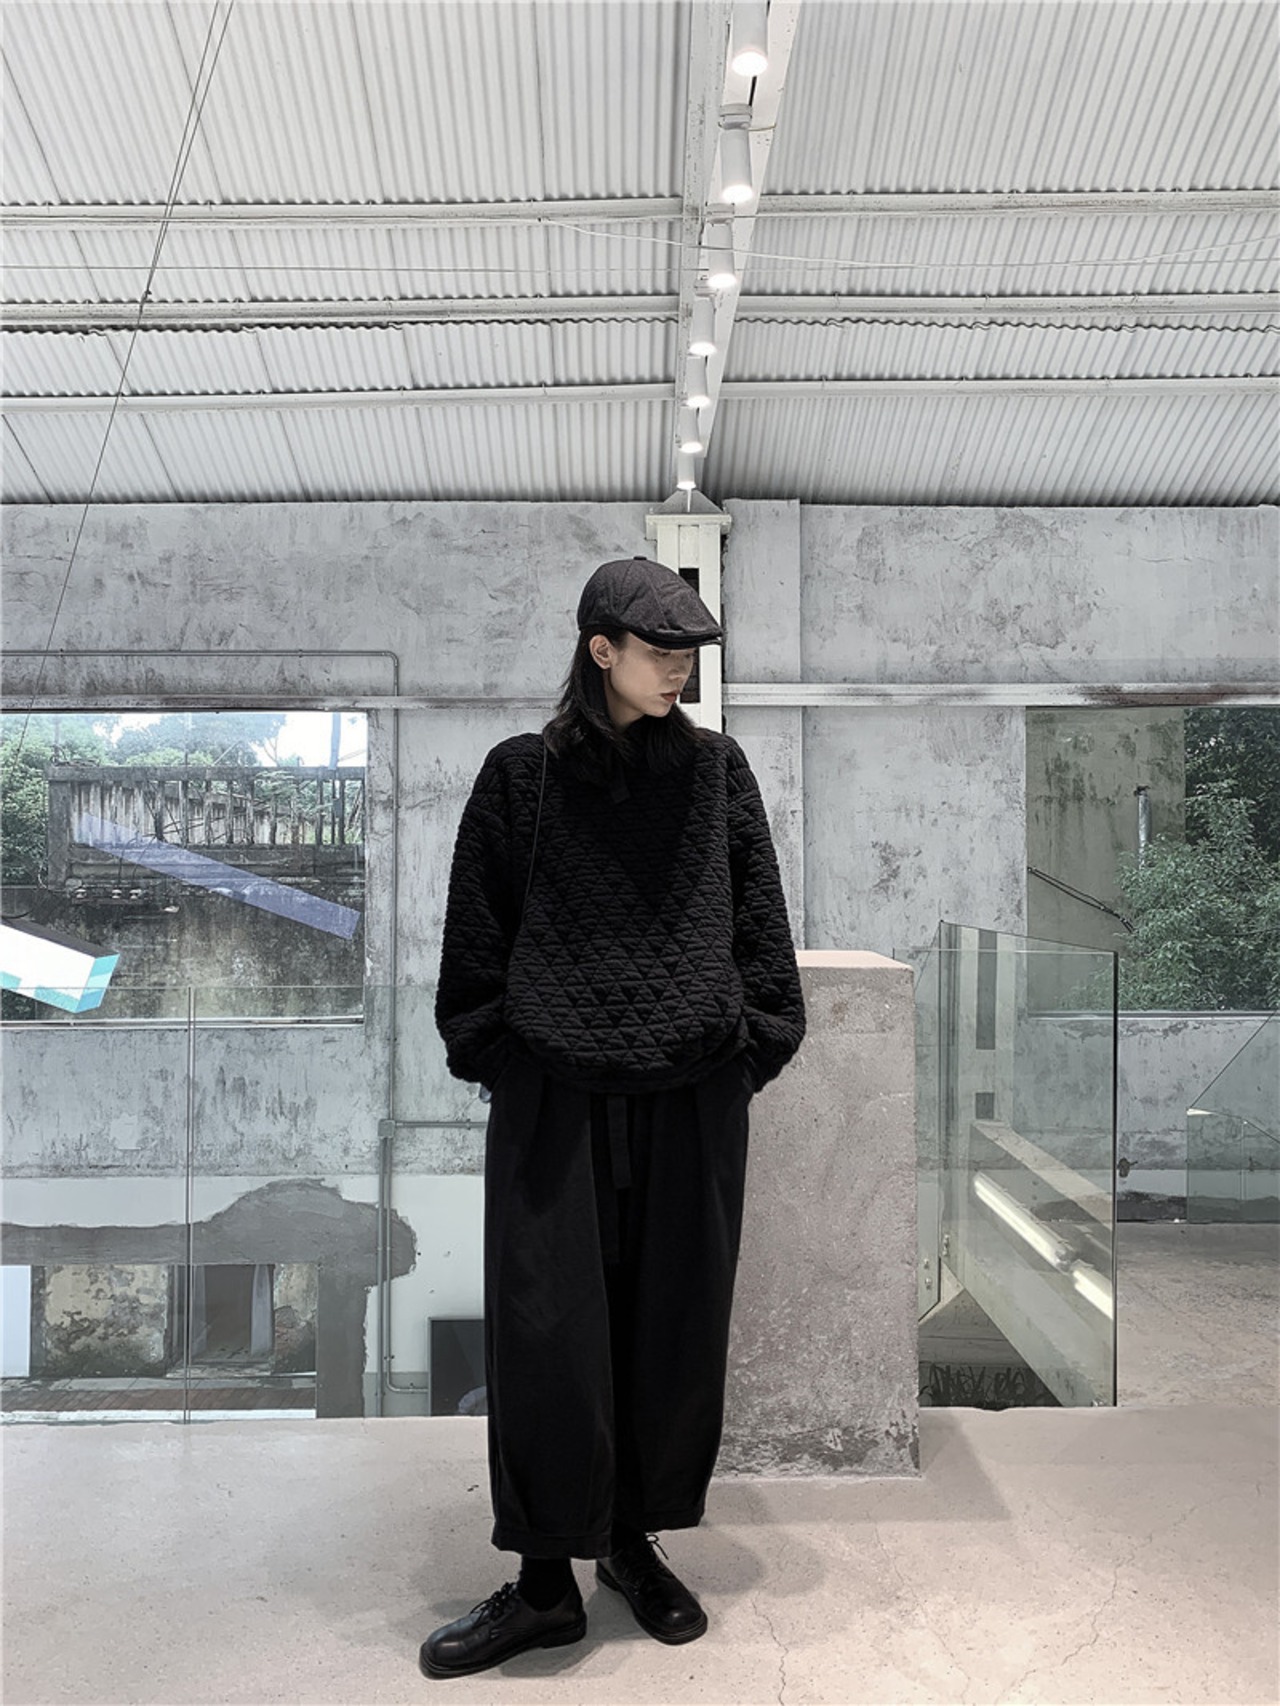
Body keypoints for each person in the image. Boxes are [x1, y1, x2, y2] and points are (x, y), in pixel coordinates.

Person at [420, 556, 806, 1680]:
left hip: (690, 1095)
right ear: (600, 648)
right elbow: (474, 937)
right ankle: (546, 1583)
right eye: (658, 650)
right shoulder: (521, 775)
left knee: (670, 1330)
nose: (678, 669)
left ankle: (630, 1544)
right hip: (555, 1096)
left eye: (688, 652)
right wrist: (503, 1056)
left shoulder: (715, 771)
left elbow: (760, 923)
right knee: (546, 1338)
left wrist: (749, 1049)